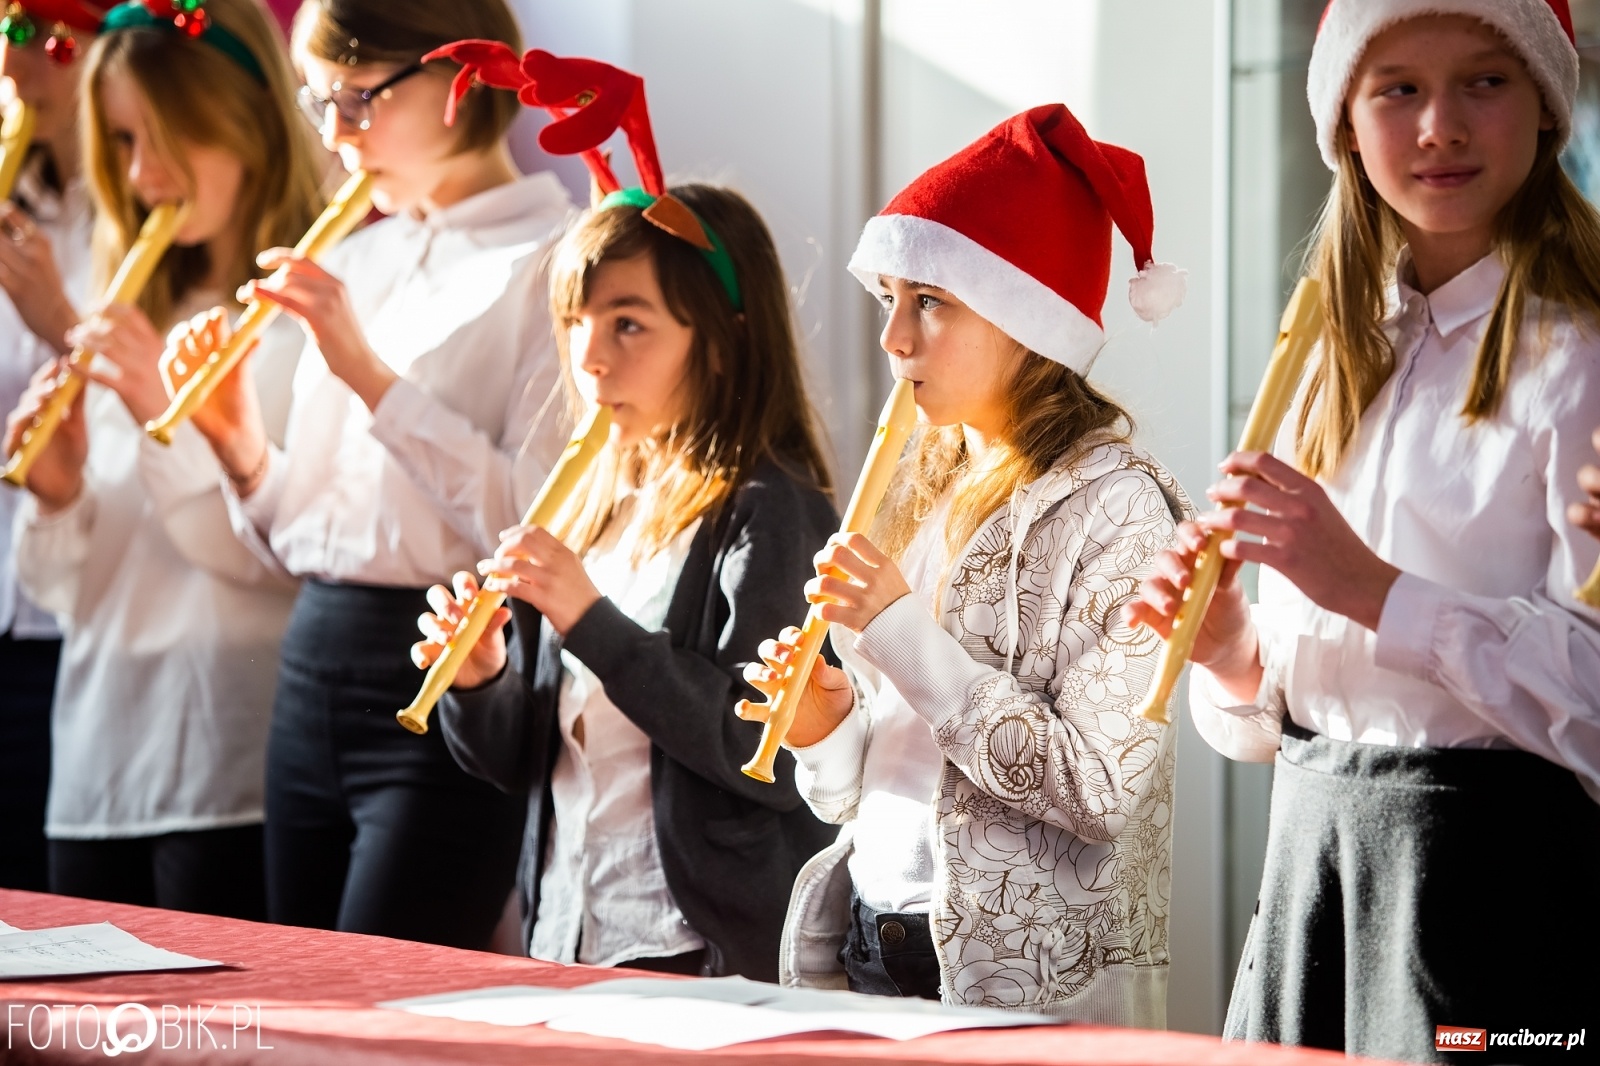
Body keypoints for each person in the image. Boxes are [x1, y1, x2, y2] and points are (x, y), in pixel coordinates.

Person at [1128, 2, 1600, 1060]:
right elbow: (1284, 722)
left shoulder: (1582, 358)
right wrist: (1232, 650)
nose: (1440, 125)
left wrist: (1374, 592)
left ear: (1545, 104)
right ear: (1345, 121)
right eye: (1398, 89)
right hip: (1310, 864)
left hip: (1496, 890)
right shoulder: (1326, 357)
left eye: (1485, 80)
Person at [409, 46, 839, 980]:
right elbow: (522, 761)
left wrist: (588, 618)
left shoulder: (772, 511)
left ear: (721, 342)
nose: (590, 357)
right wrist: (480, 681)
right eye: (577, 321)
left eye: (628, 323)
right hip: (570, 929)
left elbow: (762, 751)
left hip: (695, 949)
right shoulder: (591, 505)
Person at [756, 104, 1190, 1022]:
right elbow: (891, 777)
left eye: (931, 302)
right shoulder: (924, 479)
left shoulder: (1120, 507)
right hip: (874, 935)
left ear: (1028, 320)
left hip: (1029, 986)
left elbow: (1101, 788)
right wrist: (826, 730)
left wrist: (898, 630)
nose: (893, 339)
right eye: (890, 300)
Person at [161, 0, 572, 949]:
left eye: (357, 97)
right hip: (311, 656)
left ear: (461, 79)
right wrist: (239, 448)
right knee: (293, 984)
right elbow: (304, 537)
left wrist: (367, 374)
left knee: (383, 1001)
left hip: (450, 661)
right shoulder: (358, 253)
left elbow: (534, 522)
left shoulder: (557, 258)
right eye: (319, 103)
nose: (335, 135)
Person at [5, 0, 321, 918]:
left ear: (246, 120)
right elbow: (66, 593)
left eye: (165, 137)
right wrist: (57, 499)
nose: (142, 175)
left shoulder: (304, 316)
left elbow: (279, 563)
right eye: (122, 141)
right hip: (94, 766)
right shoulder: (131, 300)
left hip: (226, 767)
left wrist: (159, 414)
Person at [0, 0, 109, 894]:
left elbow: (166, 428)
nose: (16, 64)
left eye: (51, 37)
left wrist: (59, 325)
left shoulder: (152, 226)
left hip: (76, 619)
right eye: (7, 32)